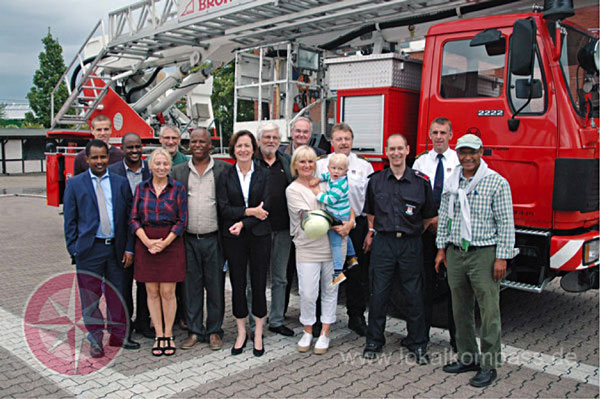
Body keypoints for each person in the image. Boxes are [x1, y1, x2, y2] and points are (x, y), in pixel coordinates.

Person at [435, 134, 517, 387]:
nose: (467, 157)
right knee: (460, 308)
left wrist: (502, 256)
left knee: (489, 310)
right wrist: (441, 249)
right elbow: (443, 216)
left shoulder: (496, 182)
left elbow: (506, 223)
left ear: (481, 152)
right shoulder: (452, 182)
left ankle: (489, 365)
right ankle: (467, 357)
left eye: (472, 151)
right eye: (463, 152)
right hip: (456, 252)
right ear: (457, 154)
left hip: (484, 253)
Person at [362, 134, 437, 364]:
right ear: (386, 151)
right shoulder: (376, 181)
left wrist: (411, 233)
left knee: (414, 294)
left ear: (407, 150)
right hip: (383, 243)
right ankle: (374, 341)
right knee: (378, 293)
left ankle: (417, 342)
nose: (395, 153)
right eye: (391, 149)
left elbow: (429, 218)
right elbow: (371, 214)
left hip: (410, 244)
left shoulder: (420, 181)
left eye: (399, 148)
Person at [63, 139, 134, 358]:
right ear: (87, 159)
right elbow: (70, 220)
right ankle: (95, 339)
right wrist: (74, 249)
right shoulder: (76, 184)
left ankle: (119, 336)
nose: (100, 161)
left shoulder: (121, 183)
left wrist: (129, 249)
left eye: (103, 157)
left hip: (116, 249)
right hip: (89, 251)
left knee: (117, 294)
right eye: (95, 157)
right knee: (90, 297)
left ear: (108, 157)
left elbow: (130, 218)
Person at [286, 145, 350, 354]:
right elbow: (313, 221)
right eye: (302, 161)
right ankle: (307, 330)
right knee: (307, 292)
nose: (307, 165)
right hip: (308, 247)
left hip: (333, 247)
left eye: (311, 161)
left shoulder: (329, 181)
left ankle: (324, 333)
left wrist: (351, 223)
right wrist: (337, 219)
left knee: (330, 291)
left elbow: (348, 208)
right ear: (295, 165)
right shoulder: (293, 190)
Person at [172, 128, 230, 351]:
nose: (197, 145)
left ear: (210, 145)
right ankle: (195, 331)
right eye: (193, 141)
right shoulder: (178, 172)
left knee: (215, 287)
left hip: (214, 239)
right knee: (191, 288)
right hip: (188, 240)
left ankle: (214, 331)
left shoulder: (223, 170)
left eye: (202, 141)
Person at [217, 130, 271, 357]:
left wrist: (243, 223)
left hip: (259, 236)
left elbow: (266, 209)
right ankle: (241, 332)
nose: (243, 150)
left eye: (247, 145)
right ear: (233, 149)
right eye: (239, 145)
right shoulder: (225, 176)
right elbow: (223, 208)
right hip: (233, 238)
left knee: (258, 284)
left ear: (253, 148)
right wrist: (248, 214)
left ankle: (258, 332)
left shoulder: (264, 174)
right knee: (238, 285)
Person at [316, 122, 373, 336]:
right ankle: (320, 318)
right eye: (339, 139)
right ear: (332, 142)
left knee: (356, 274)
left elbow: (369, 201)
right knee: (325, 271)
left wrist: (369, 229)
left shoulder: (364, 166)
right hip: (326, 225)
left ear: (352, 141)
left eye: (347, 139)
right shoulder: (321, 165)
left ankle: (356, 317)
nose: (343, 143)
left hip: (355, 226)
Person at [130, 148, 188, 356]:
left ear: (170, 167)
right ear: (150, 165)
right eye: (158, 163)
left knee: (168, 292)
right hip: (146, 243)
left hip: (170, 243)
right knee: (152, 292)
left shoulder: (177, 188)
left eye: (165, 164)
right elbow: (134, 218)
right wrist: (147, 241)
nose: (161, 167)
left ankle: (169, 334)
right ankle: (158, 335)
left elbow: (182, 220)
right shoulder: (141, 189)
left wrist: (164, 243)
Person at [412, 117, 459, 352]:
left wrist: (442, 219)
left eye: (443, 132)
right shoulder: (421, 163)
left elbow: (462, 197)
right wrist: (429, 220)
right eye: (435, 133)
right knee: (424, 285)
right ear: (429, 136)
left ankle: (457, 339)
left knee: (455, 287)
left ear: (451, 135)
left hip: (451, 233)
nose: (439, 137)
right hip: (426, 232)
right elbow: (413, 194)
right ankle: (420, 337)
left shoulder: (459, 161)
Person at [108, 132, 151, 345]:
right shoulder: (112, 173)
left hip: (147, 238)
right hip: (122, 240)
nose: (134, 151)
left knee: (145, 285)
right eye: (130, 147)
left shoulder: (151, 171)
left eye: (138, 147)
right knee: (122, 286)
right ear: (122, 149)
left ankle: (144, 323)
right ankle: (123, 330)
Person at [255, 122, 295, 337]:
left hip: (282, 229)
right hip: (256, 230)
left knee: (280, 277)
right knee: (256, 277)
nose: (271, 141)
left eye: (275, 137)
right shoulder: (252, 162)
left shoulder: (287, 163)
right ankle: (256, 320)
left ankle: (277, 319)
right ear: (260, 139)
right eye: (267, 137)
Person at [158, 124, 188, 329]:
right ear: (160, 140)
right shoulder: (152, 161)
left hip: (180, 229)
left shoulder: (186, 162)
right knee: (157, 279)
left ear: (179, 139)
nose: (170, 141)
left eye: (174, 138)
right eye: (166, 138)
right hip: (157, 232)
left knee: (181, 279)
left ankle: (183, 316)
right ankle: (155, 317)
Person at [314, 153, 358, 286]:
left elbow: (330, 200)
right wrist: (319, 179)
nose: (336, 171)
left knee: (336, 244)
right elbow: (327, 176)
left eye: (340, 169)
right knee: (346, 236)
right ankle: (352, 257)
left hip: (338, 215)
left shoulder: (340, 185)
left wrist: (318, 193)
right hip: (343, 213)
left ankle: (338, 272)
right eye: (333, 168)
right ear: (328, 168)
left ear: (346, 172)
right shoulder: (334, 177)